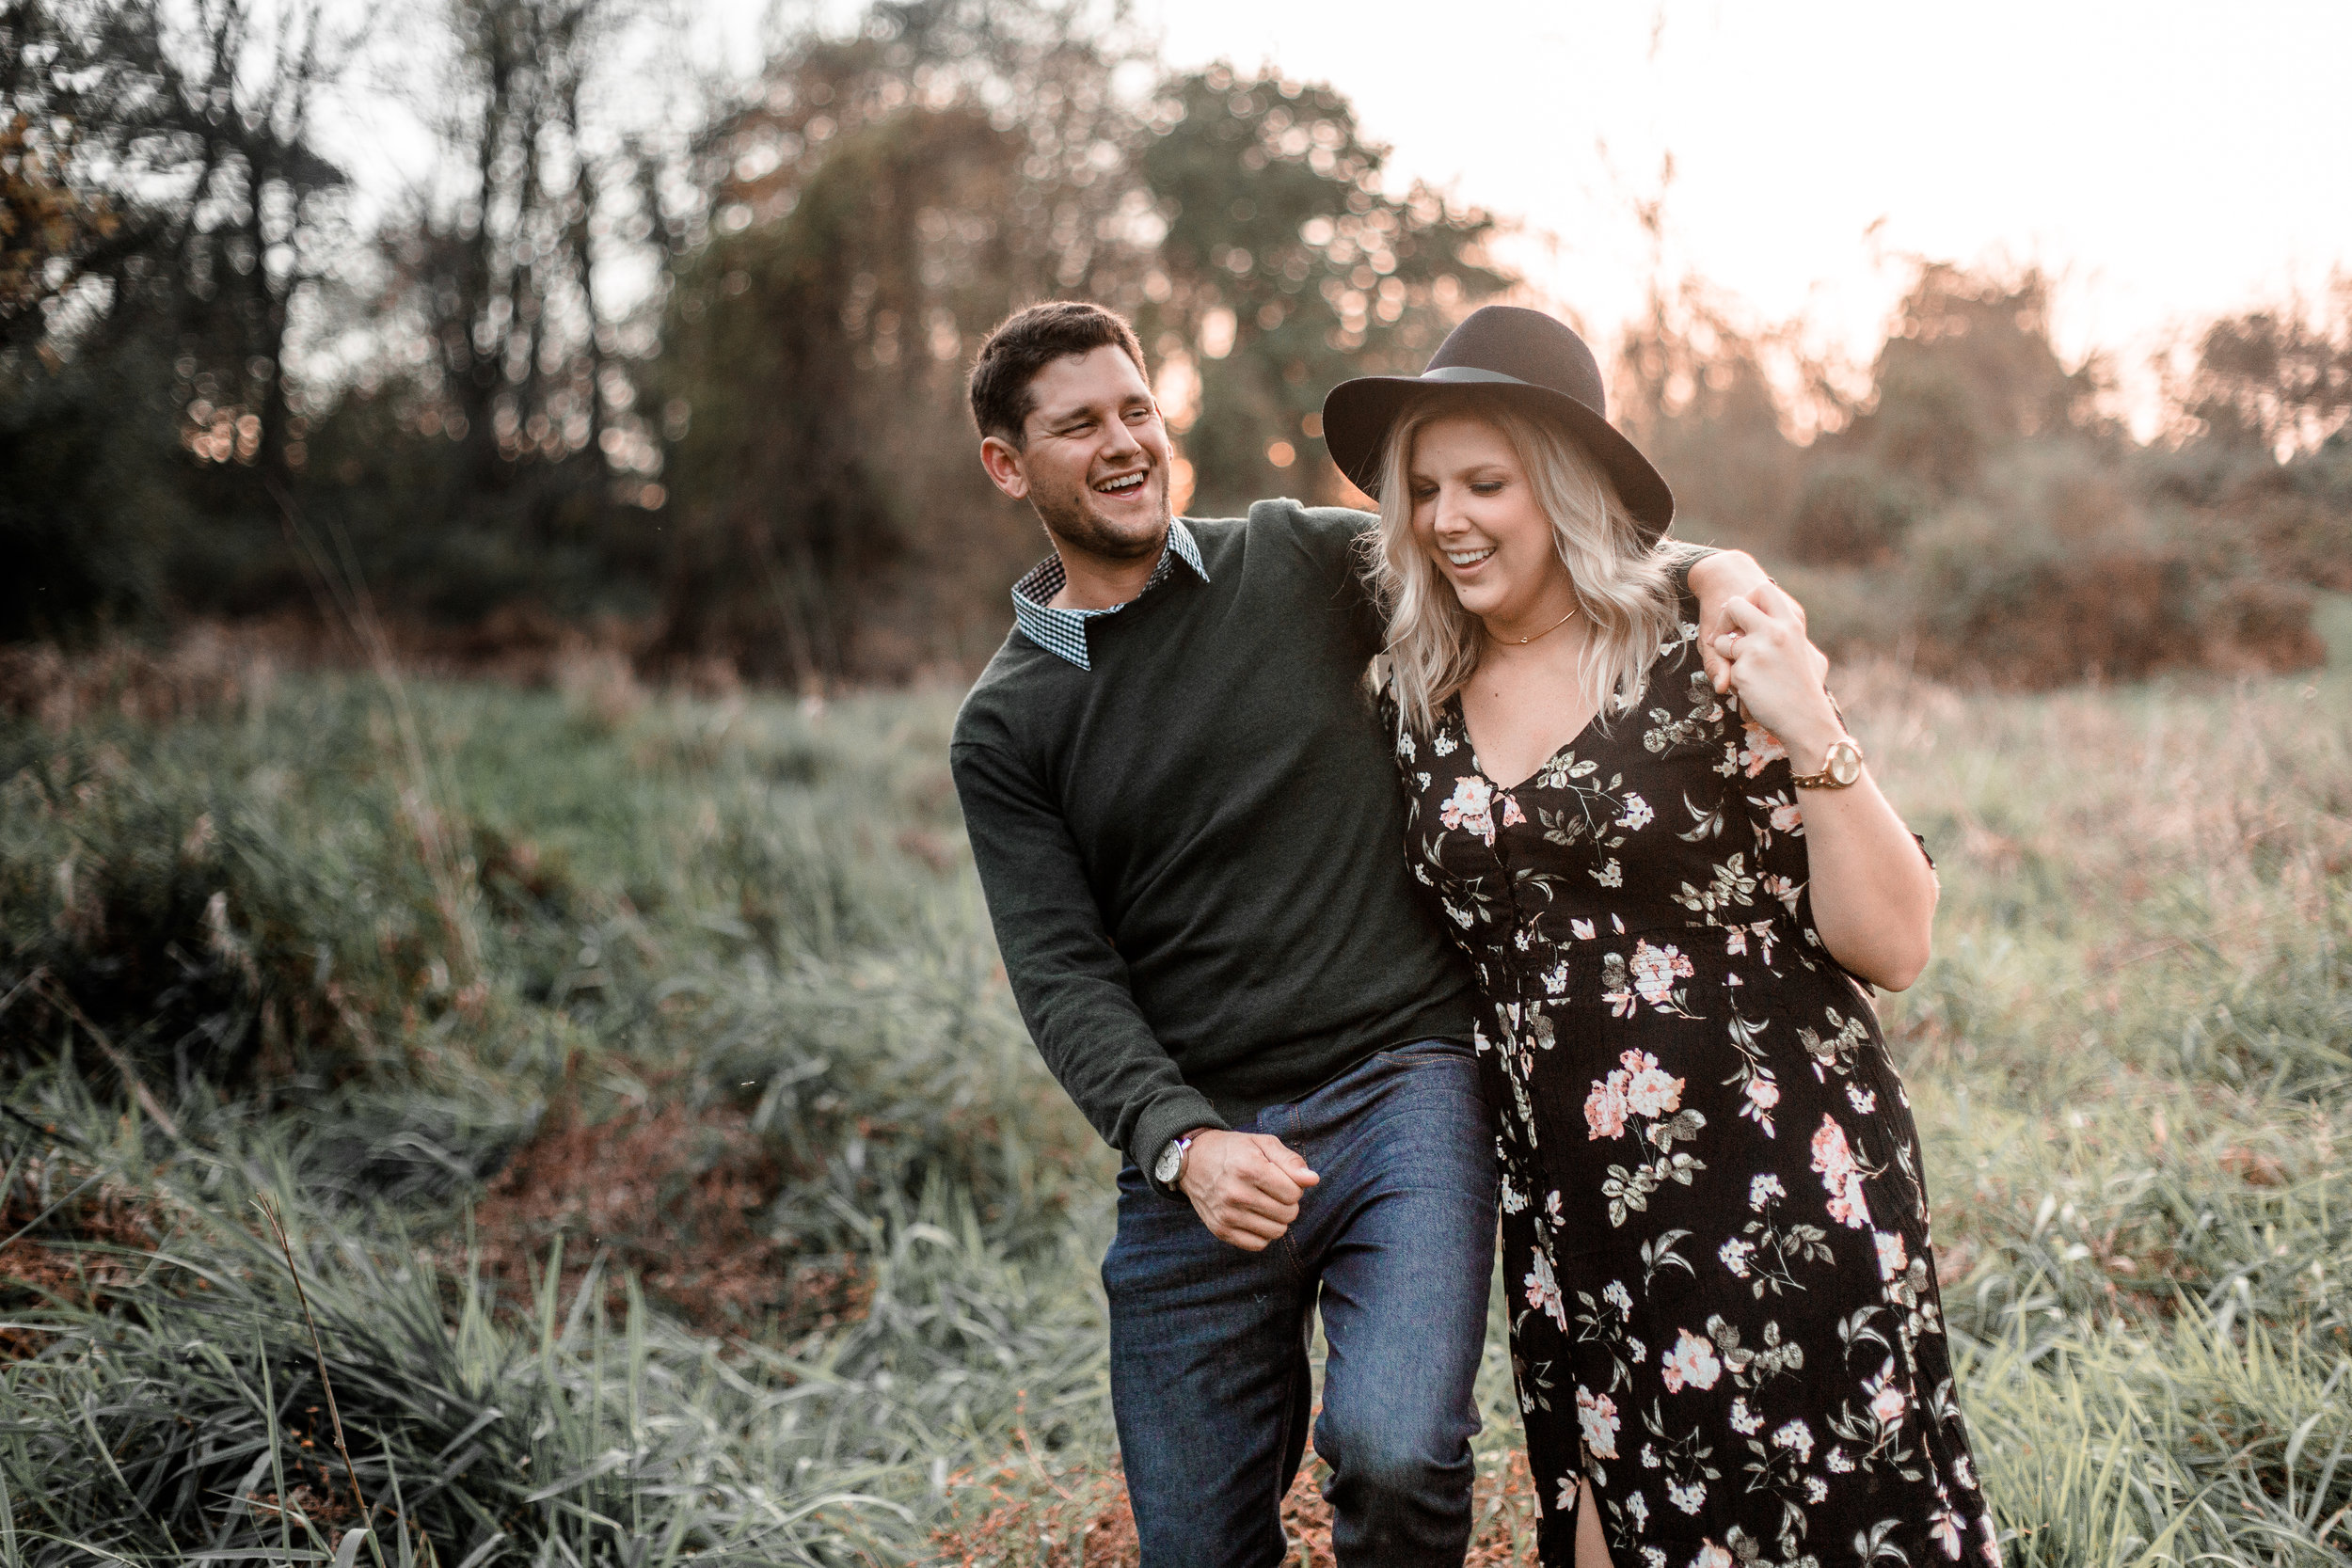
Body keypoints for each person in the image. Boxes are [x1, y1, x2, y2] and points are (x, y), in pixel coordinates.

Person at [948, 299, 1765, 1567]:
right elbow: (1062, 979)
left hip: (1403, 1085)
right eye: (1076, 427)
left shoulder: (1289, 562)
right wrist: (1183, 1147)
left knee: (1391, 1450)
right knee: (1195, 1546)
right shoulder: (1007, 724)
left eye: (1136, 410)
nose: (1122, 444)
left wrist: (1715, 570)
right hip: (1199, 1142)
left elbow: (1522, 549)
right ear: (1008, 464)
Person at [1322, 305, 1996, 1567]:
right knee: (1615, 1520)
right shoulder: (1414, 699)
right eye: (1423, 490)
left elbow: (1895, 944)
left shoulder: (1700, 656)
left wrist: (1812, 732)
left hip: (1773, 1175)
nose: (1448, 518)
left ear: (1562, 488)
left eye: (1486, 482)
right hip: (1570, 1203)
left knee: (1821, 1522)